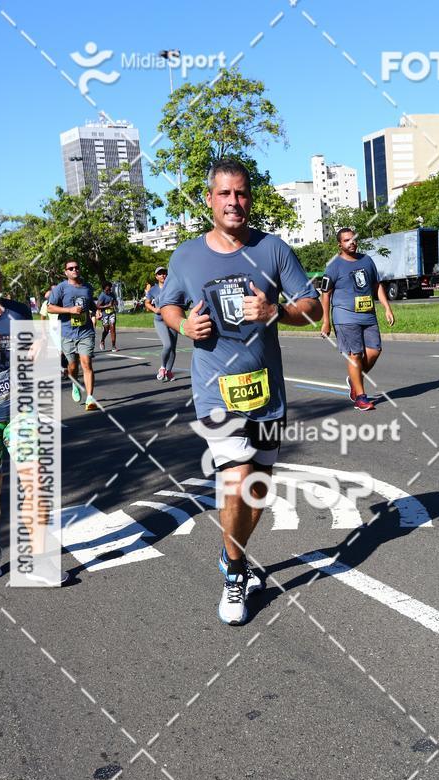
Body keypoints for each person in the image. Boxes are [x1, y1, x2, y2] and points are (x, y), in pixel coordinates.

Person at [160, 158, 321, 625]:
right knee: (236, 477)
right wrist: (183, 323)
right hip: (215, 391)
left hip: (267, 394)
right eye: (225, 194)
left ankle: (230, 551)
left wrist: (276, 311)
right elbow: (167, 303)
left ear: (251, 197)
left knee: (257, 490)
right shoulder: (187, 256)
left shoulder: (273, 250)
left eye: (242, 193)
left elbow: (312, 308)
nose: (234, 202)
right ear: (209, 199)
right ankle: (234, 574)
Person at [0, 255, 69, 585]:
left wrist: (43, 346)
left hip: (20, 412)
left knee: (35, 481)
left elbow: (43, 361)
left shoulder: (19, 311)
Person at [321, 227, 395, 411]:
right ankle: (361, 397)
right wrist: (326, 321)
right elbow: (325, 294)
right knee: (356, 354)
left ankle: (354, 380)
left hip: (368, 314)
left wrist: (387, 307)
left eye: (353, 239)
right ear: (340, 244)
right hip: (344, 316)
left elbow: (376, 285)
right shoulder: (334, 266)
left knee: (375, 350)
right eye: (346, 240)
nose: (351, 242)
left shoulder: (367, 260)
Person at [46, 260, 98, 411]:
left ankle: (90, 398)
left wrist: (96, 310)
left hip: (86, 332)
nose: (74, 269)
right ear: (66, 272)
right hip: (67, 333)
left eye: (76, 267)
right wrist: (70, 310)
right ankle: (75, 384)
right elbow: (50, 308)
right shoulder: (61, 288)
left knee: (86, 363)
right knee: (73, 366)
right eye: (71, 268)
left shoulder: (87, 287)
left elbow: (91, 305)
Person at [145, 267, 177, 382]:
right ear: (156, 277)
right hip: (160, 320)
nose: (163, 276)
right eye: (160, 274)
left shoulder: (173, 286)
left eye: (164, 273)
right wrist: (155, 310)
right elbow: (147, 303)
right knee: (167, 345)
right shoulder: (153, 290)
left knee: (173, 348)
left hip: (173, 320)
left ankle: (169, 371)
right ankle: (162, 367)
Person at [97, 281, 118, 352]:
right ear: (104, 289)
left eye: (110, 289)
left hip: (112, 313)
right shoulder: (102, 295)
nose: (109, 291)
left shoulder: (112, 294)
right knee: (106, 329)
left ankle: (113, 346)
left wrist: (115, 303)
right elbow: (98, 306)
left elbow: (116, 302)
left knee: (113, 327)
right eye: (107, 290)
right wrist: (107, 306)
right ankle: (102, 340)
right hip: (104, 314)